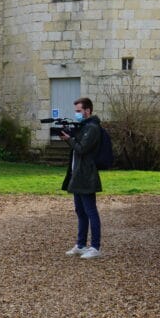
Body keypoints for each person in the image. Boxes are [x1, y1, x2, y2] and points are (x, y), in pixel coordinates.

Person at [60, 97, 103, 259]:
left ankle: (95, 247)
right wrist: (69, 135)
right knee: (80, 211)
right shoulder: (84, 127)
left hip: (86, 175)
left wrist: (68, 139)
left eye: (79, 111)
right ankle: (81, 244)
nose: (76, 114)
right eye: (75, 111)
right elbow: (77, 146)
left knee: (91, 211)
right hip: (78, 174)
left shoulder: (92, 128)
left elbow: (82, 148)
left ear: (88, 110)